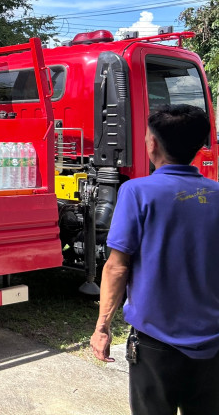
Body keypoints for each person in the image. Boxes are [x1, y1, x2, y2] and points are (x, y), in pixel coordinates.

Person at [90, 104, 219, 415]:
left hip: (155, 344)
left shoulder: (137, 192)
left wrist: (102, 327)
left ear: (153, 144)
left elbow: (117, 267)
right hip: (213, 345)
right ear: (198, 146)